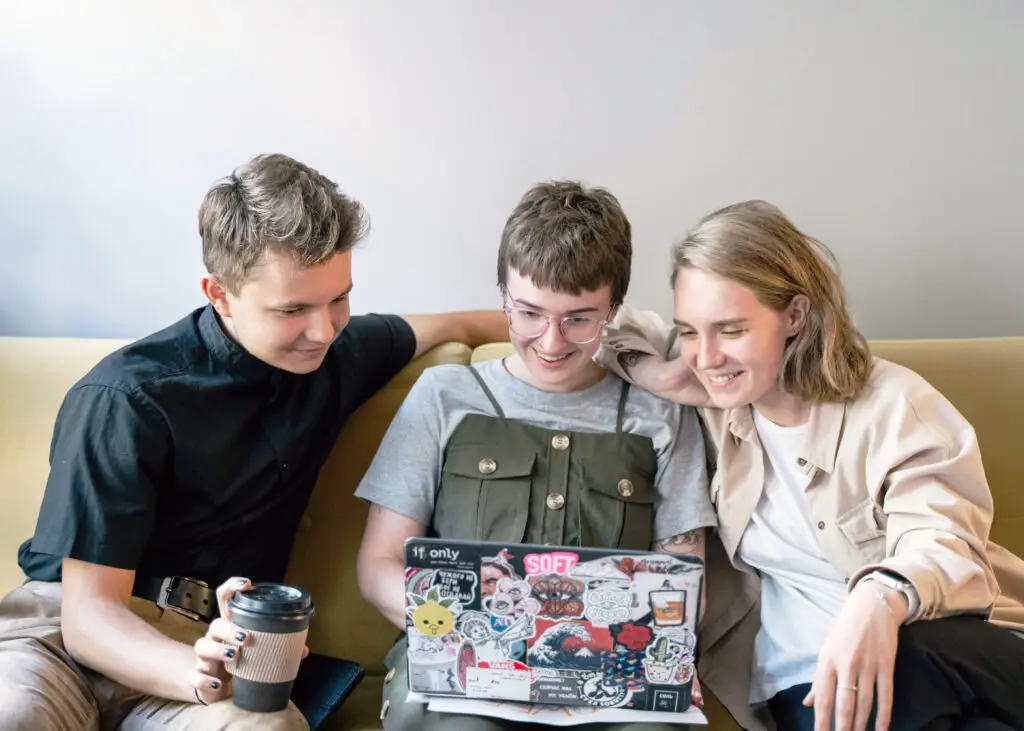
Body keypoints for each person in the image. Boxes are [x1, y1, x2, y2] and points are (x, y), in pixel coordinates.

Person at [0, 153, 509, 731]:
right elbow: (90, 618)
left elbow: (463, 326)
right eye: (292, 309)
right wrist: (199, 671)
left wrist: (610, 334)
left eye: (339, 298)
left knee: (268, 728)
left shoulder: (340, 353)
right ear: (219, 293)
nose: (323, 330)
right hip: (60, 638)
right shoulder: (124, 397)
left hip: (214, 642)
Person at [594, 200, 1024, 731]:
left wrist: (878, 599)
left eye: (730, 330)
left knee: (898, 664)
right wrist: (659, 373)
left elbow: (942, 539)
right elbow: (586, 324)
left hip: (946, 648)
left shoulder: (892, 406)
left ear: (794, 315)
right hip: (809, 685)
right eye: (688, 332)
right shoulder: (715, 405)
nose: (705, 357)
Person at [354, 180, 717, 731]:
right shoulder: (443, 395)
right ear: (502, 294)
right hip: (465, 671)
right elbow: (378, 564)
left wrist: (663, 654)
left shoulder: (659, 415)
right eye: (527, 314)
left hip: (609, 680)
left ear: (614, 309)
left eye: (579, 318)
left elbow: (686, 580)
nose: (551, 343)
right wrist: (461, 628)